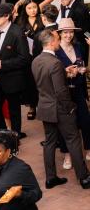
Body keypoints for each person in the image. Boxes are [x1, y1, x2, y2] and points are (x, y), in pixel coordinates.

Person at [32, 28, 90, 189]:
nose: (59, 41)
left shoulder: (36, 60)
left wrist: (64, 73)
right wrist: (70, 107)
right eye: (57, 39)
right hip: (61, 109)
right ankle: (84, 177)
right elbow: (61, 91)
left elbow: (44, 82)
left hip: (44, 107)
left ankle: (50, 178)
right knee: (73, 140)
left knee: (50, 142)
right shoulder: (56, 62)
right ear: (51, 43)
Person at [0, 2, 30, 137]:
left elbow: (24, 58)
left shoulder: (17, 33)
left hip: (13, 79)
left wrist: (3, 64)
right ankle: (3, 132)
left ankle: (16, 134)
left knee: (14, 109)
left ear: (7, 16)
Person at [56, 19, 90, 168]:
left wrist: (83, 70)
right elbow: (54, 72)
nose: (68, 35)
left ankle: (88, 148)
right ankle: (67, 155)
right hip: (64, 93)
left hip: (79, 90)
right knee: (66, 125)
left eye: (70, 32)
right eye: (65, 32)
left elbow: (84, 66)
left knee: (85, 120)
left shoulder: (78, 46)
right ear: (60, 34)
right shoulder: (56, 50)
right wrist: (66, 72)